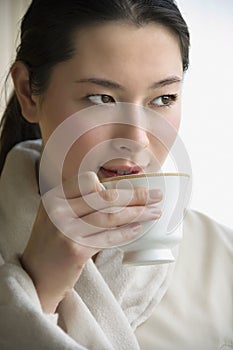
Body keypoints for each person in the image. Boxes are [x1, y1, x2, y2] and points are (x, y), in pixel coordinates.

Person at [0, 0, 232, 349]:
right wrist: (37, 287)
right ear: (27, 92)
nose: (136, 139)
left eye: (164, 98)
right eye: (101, 98)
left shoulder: (222, 260)